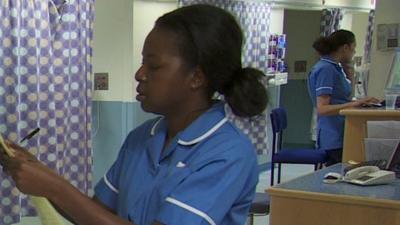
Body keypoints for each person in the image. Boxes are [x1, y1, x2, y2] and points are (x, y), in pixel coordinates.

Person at [0, 4, 268, 225]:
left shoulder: (228, 154)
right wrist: (37, 173)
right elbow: (94, 214)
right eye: (142, 63)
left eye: (153, 66)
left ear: (196, 77)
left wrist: (55, 187)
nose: (140, 74)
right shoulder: (141, 139)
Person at [308, 29, 379, 166]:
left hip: (341, 131)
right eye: (353, 48)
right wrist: (356, 104)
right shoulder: (326, 69)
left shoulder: (335, 68)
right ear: (345, 48)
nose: (354, 52)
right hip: (333, 135)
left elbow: (345, 98)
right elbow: (322, 108)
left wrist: (351, 76)